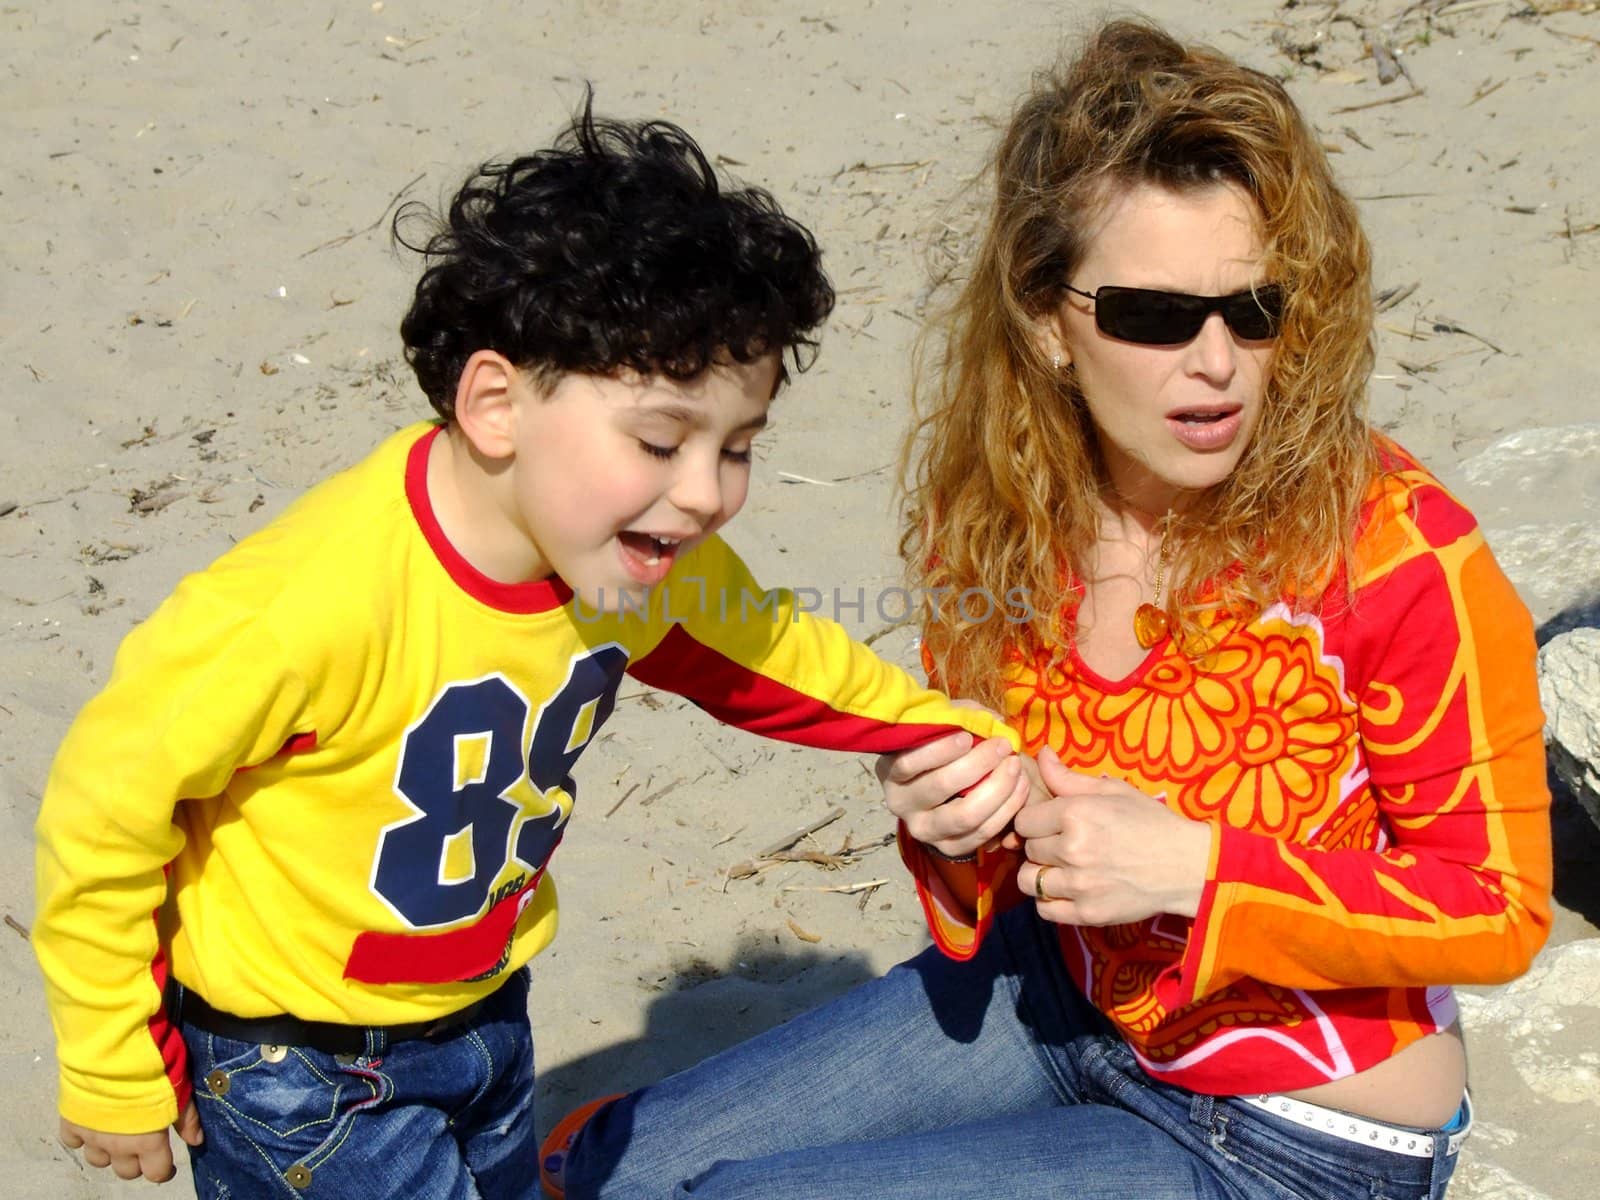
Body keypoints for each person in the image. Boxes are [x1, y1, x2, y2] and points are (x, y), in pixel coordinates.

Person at [542, 19, 1552, 1200]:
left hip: (1296, 1138)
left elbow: (1497, 907)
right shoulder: (999, 512)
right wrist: (949, 820)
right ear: (1046, 323)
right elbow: (1004, 857)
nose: (1217, 362)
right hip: (1056, 999)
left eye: (1254, 309)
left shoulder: (1392, 548)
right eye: (1153, 316)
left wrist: (1199, 867)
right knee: (605, 1171)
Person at [31, 102, 1034, 1199]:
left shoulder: (634, 564)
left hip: (488, 1008)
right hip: (296, 1065)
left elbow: (774, 657)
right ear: (496, 403)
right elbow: (106, 814)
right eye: (659, 441)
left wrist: (945, 731)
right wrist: (111, 1059)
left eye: (738, 447)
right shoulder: (301, 607)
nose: (703, 494)